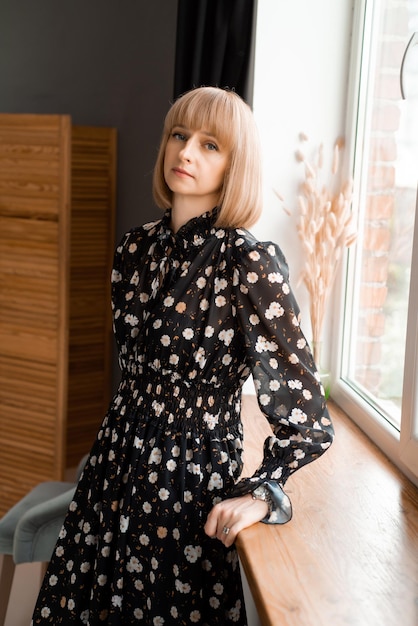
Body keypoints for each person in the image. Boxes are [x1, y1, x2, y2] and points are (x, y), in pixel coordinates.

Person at [31, 86, 334, 625]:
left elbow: (307, 416)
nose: (186, 152)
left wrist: (266, 491)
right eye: (179, 135)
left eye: (210, 144)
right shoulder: (134, 250)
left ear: (235, 164)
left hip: (188, 485)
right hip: (114, 465)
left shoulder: (250, 263)